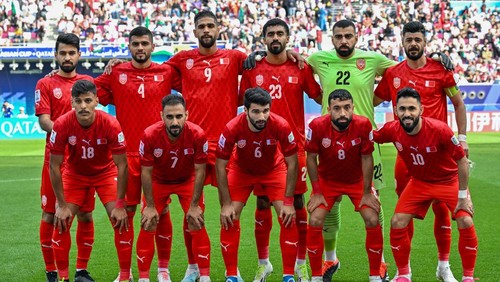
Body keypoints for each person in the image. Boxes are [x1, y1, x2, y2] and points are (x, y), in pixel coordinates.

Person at [373, 21, 468, 282]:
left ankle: (443, 266)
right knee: (405, 211)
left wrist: (462, 137)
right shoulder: (393, 74)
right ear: (402, 42)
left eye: (418, 39)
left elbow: (458, 104)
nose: (413, 44)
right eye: (409, 39)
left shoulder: (441, 69)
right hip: (407, 156)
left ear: (425, 42)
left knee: (442, 211)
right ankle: (405, 272)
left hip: (441, 154)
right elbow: (371, 99)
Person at [306, 19, 394, 281]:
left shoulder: (373, 59)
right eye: (339, 36)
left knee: (374, 203)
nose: (343, 40)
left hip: (365, 139)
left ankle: (380, 263)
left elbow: (401, 71)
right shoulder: (319, 58)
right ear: (331, 39)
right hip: (328, 141)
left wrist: (377, 97)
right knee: (328, 210)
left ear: (357, 36)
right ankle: (330, 260)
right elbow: (295, 63)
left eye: (348, 36)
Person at [238, 18, 322, 282]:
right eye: (270, 33)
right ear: (264, 39)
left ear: (288, 38)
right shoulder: (253, 69)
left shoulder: (300, 67)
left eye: (280, 33)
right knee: (262, 202)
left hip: (293, 148)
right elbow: (243, 102)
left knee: (297, 203)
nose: (275, 37)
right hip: (261, 149)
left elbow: (320, 97)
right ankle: (264, 263)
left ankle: (299, 264)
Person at [94, 26, 178, 282]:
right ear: (128, 47)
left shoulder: (166, 72)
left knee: (161, 211)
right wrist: (58, 72)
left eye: (144, 43)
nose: (140, 48)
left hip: (159, 155)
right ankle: (125, 273)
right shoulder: (117, 72)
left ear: (153, 47)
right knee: (126, 212)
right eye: (135, 44)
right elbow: (83, 88)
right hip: (126, 155)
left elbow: (198, 80)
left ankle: (163, 270)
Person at [372, 87, 478, 282]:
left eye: (412, 108)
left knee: (465, 220)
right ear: (396, 111)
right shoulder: (392, 129)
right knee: (398, 222)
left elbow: (462, 161)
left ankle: (468, 277)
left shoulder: (440, 130)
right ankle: (404, 274)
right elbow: (370, 136)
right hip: (419, 183)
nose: (407, 114)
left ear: (421, 109)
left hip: (448, 181)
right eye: (402, 109)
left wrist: (463, 197)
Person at [48, 80, 129, 282]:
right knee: (62, 220)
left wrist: (120, 205)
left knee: (121, 220)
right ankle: (64, 278)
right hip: (75, 174)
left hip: (105, 173)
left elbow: (122, 165)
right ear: (71, 102)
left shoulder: (110, 123)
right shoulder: (62, 124)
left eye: (88, 100)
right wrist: (61, 204)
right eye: (78, 101)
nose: (83, 106)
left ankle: (125, 276)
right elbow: (54, 166)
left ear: (96, 101)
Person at [216, 87, 299, 282]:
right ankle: (231, 276)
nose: (262, 116)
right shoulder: (232, 127)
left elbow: (292, 162)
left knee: (287, 215)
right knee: (230, 216)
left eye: (265, 110)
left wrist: (288, 201)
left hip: (273, 169)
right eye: (256, 111)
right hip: (241, 171)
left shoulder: (281, 125)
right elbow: (220, 166)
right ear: (245, 111)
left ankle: (288, 276)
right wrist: (226, 204)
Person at [305, 89, 384, 282]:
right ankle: (316, 276)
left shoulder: (363, 125)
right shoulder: (316, 126)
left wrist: (367, 192)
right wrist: (316, 192)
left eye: (347, 108)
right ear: (329, 109)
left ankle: (375, 274)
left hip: (357, 181)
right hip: (328, 181)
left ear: (353, 108)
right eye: (337, 108)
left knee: (372, 218)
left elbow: (367, 158)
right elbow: (311, 158)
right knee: (315, 219)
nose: (342, 113)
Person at [35, 33, 95, 282]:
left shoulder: (89, 81)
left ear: (79, 55)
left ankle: (81, 270)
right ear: (56, 55)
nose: (67, 57)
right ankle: (52, 271)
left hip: (83, 161)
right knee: (51, 214)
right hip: (57, 161)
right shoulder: (45, 84)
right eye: (63, 53)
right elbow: (43, 121)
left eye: (72, 53)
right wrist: (68, 131)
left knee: (85, 214)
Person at [136, 94, 211, 282]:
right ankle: (149, 276)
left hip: (187, 180)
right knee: (149, 220)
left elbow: (200, 171)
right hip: (159, 181)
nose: (175, 121)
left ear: (187, 114)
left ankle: (203, 275)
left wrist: (194, 205)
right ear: (162, 116)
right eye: (170, 117)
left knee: (196, 219)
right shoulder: (150, 135)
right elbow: (145, 172)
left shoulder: (198, 134)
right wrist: (150, 206)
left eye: (179, 116)